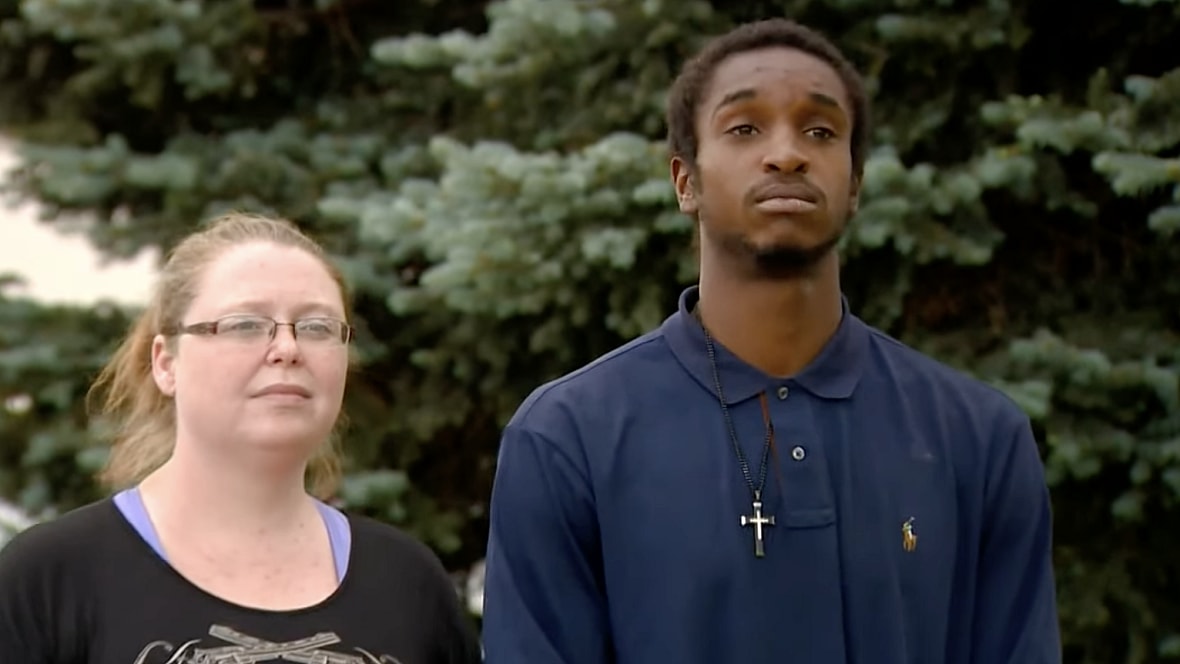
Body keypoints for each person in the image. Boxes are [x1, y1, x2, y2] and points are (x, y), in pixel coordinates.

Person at [480, 18, 1061, 664]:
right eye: (744, 128)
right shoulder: (567, 440)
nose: (787, 154)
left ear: (855, 183)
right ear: (685, 181)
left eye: (820, 131)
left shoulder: (978, 439)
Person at [0, 212, 482, 664]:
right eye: (245, 325)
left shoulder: (407, 584)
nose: (287, 348)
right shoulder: (51, 579)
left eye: (317, 327)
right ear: (166, 364)